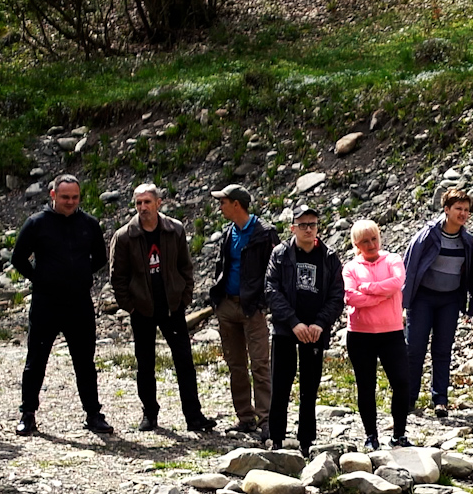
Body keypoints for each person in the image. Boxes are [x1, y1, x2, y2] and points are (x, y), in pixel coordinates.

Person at [12, 176, 113, 436]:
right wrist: (40, 277)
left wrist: (80, 276)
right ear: (53, 194)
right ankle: (28, 414)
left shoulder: (89, 224)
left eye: (75, 197)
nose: (70, 202)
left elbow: (100, 258)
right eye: (65, 197)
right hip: (46, 302)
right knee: (36, 359)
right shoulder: (37, 223)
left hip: (79, 302)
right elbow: (18, 258)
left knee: (85, 362)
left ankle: (93, 414)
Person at [110, 184, 214, 434]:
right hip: (142, 309)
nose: (143, 207)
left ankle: (193, 415)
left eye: (147, 202)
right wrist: (130, 306)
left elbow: (185, 266)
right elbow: (117, 276)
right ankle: (149, 414)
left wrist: (184, 296)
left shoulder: (174, 229)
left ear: (159, 203)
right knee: (145, 364)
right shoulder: (125, 236)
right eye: (138, 203)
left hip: (172, 306)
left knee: (185, 362)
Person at [262, 206, 344, 455]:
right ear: (293, 228)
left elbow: (337, 295)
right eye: (303, 224)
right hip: (287, 329)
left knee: (310, 387)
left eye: (313, 224)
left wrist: (320, 323)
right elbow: (271, 290)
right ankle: (276, 438)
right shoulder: (280, 254)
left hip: (315, 331)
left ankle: (306, 441)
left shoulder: (329, 256)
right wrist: (293, 322)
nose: (309, 229)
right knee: (280, 385)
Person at [402, 187, 473, 421]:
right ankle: (408, 398)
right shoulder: (427, 235)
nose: (463, 213)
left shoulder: (467, 240)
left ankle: (440, 400)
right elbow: (410, 266)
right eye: (458, 208)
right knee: (414, 349)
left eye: (466, 210)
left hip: (449, 300)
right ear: (446, 209)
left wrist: (467, 303)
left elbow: (469, 273)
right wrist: (403, 300)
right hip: (423, 298)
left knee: (442, 350)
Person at [207, 184, 278, 437]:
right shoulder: (229, 232)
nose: (220, 206)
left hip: (252, 308)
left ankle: (267, 420)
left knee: (260, 363)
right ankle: (245, 417)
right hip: (227, 304)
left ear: (236, 204)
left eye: (223, 202)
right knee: (235, 364)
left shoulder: (265, 233)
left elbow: (275, 270)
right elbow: (222, 266)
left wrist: (263, 302)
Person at [342, 220, 411, 452]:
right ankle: (371, 435)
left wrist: (369, 289)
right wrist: (383, 295)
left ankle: (399, 433)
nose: (371, 244)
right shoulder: (350, 268)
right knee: (366, 385)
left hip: (391, 333)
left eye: (374, 239)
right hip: (360, 335)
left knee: (402, 382)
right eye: (365, 241)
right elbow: (350, 297)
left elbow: (397, 282)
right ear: (356, 244)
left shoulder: (393, 259)